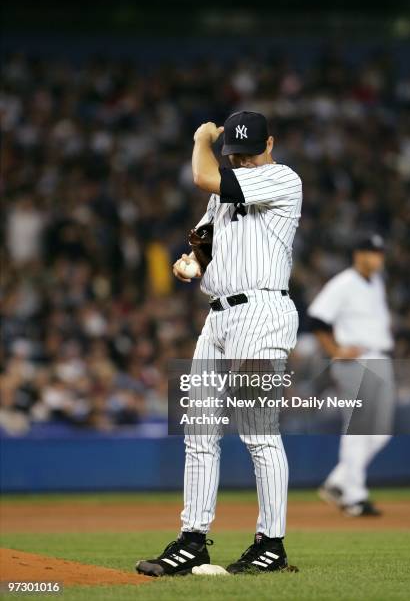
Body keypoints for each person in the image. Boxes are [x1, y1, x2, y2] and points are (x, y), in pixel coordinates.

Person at [136, 111, 302, 575]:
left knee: (257, 431)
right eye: (237, 154)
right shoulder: (225, 191)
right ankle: (193, 540)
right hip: (219, 317)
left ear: (270, 142)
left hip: (262, 313)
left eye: (249, 151)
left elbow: (201, 175)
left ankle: (272, 544)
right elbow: (205, 244)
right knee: (200, 430)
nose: (244, 160)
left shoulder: (283, 178)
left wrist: (201, 139)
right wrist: (192, 263)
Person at [307, 234, 395, 516]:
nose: (377, 257)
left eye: (380, 253)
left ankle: (338, 482)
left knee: (381, 433)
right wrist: (334, 349)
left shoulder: (376, 282)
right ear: (358, 254)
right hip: (357, 361)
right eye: (372, 252)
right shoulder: (343, 283)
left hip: (380, 356)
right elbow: (316, 318)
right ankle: (353, 496)